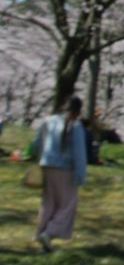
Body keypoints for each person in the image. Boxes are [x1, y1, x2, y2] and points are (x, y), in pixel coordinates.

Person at [31, 96, 88, 252]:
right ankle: (49, 233)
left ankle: (41, 233)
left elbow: (37, 143)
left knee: (48, 202)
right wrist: (81, 175)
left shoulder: (49, 121)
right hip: (65, 169)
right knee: (67, 204)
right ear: (78, 111)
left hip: (47, 165)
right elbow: (79, 154)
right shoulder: (75, 126)